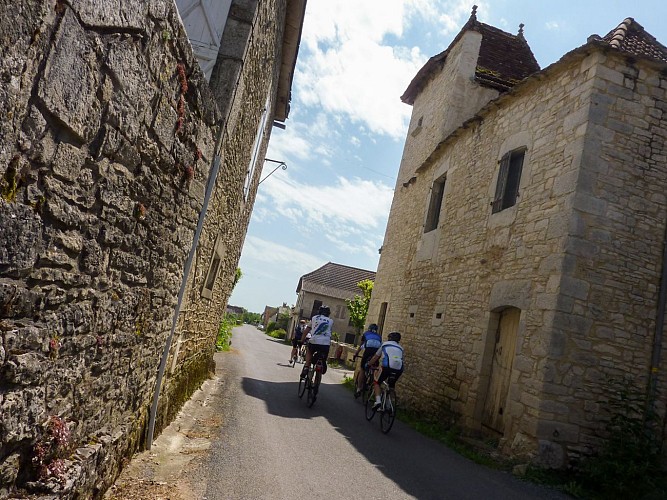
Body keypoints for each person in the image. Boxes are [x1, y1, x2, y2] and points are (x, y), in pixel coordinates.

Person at [369, 331, 404, 410]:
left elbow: (376, 357)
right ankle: (389, 405)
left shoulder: (385, 344)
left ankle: (378, 401)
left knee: (377, 382)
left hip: (387, 366)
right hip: (399, 368)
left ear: (389, 338)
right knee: (391, 386)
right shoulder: (401, 348)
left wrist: (369, 364)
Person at [300, 305, 333, 379]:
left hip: (314, 341)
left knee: (309, 351)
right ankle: (323, 362)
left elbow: (306, 331)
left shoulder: (314, 318)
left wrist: (302, 340)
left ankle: (306, 366)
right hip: (325, 343)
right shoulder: (330, 321)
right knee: (324, 354)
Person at [352, 324, 382, 398]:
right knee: (374, 367)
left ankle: (358, 389)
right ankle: (371, 383)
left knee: (362, 369)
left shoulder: (366, 334)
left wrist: (356, 354)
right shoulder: (379, 336)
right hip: (376, 352)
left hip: (368, 351)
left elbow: (361, 346)